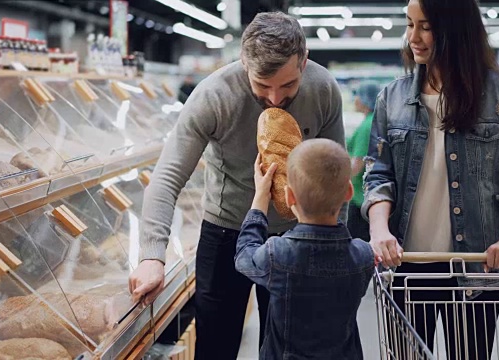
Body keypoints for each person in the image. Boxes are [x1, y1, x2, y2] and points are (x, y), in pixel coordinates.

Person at [128, 12, 347, 360]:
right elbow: (168, 176)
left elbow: (335, 174)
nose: (275, 98)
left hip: (294, 235)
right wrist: (151, 256)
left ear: (303, 63)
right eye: (263, 86)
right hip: (224, 232)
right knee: (216, 345)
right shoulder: (214, 96)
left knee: (289, 348)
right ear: (244, 63)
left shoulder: (323, 89)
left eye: (288, 86)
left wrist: (335, 240)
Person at [363, 0, 499, 359]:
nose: (413, 37)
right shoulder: (391, 98)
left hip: (477, 263)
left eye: (425, 26)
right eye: (410, 24)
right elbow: (378, 174)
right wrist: (379, 229)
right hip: (406, 265)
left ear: (456, 29)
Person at [235, 139, 374, 360]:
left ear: (289, 196)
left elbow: (244, 255)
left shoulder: (277, 254)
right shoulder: (363, 256)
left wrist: (260, 197)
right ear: (348, 191)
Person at [346, 82, 381, 241]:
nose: (355, 100)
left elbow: (357, 165)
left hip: (359, 198)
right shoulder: (374, 121)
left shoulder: (366, 126)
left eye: (357, 95)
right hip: (369, 196)